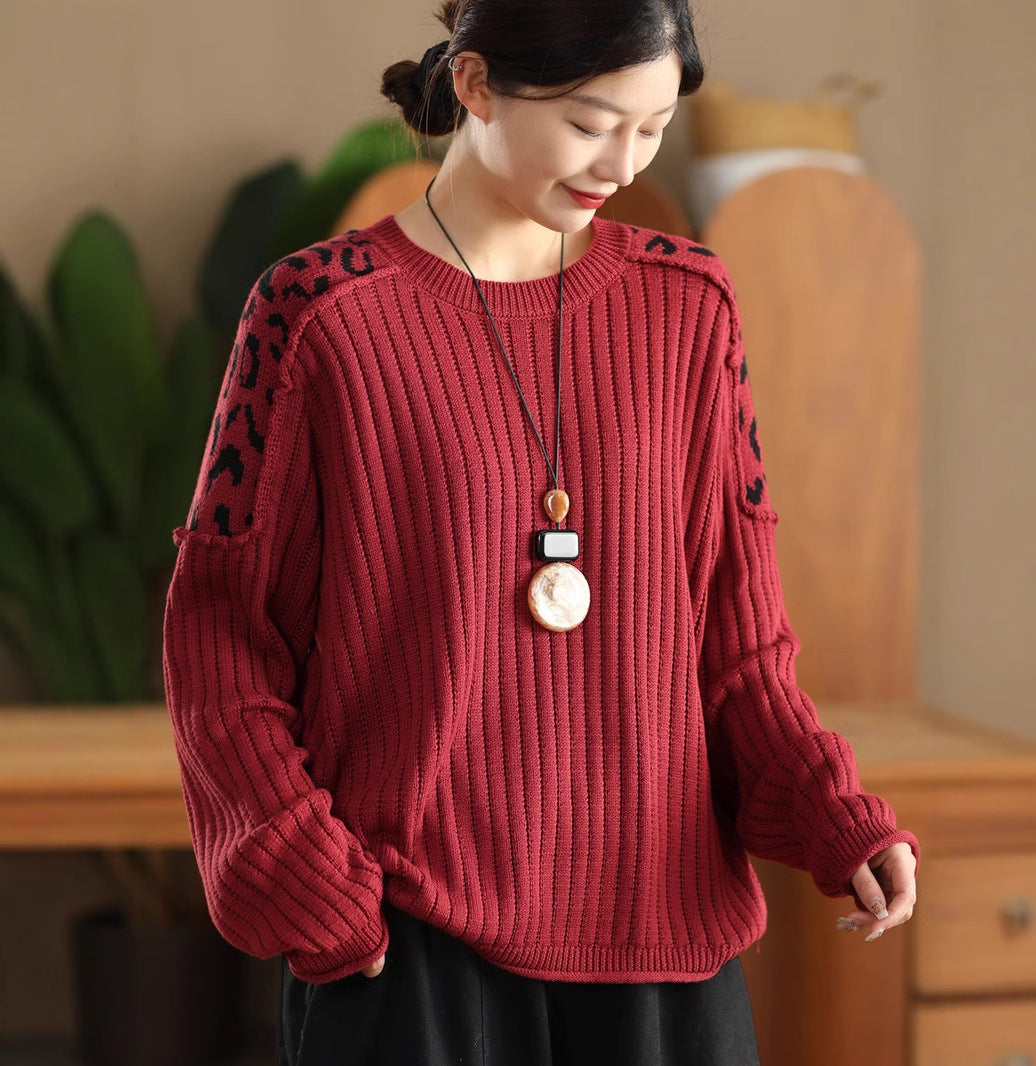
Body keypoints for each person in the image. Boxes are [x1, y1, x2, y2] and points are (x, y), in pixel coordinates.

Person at [161, 1, 919, 1063]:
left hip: (666, 947)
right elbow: (220, 635)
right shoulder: (317, 313)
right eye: (589, 122)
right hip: (410, 946)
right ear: (475, 84)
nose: (623, 162)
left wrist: (835, 812)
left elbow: (739, 644)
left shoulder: (689, 307)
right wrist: (303, 871)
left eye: (652, 128)